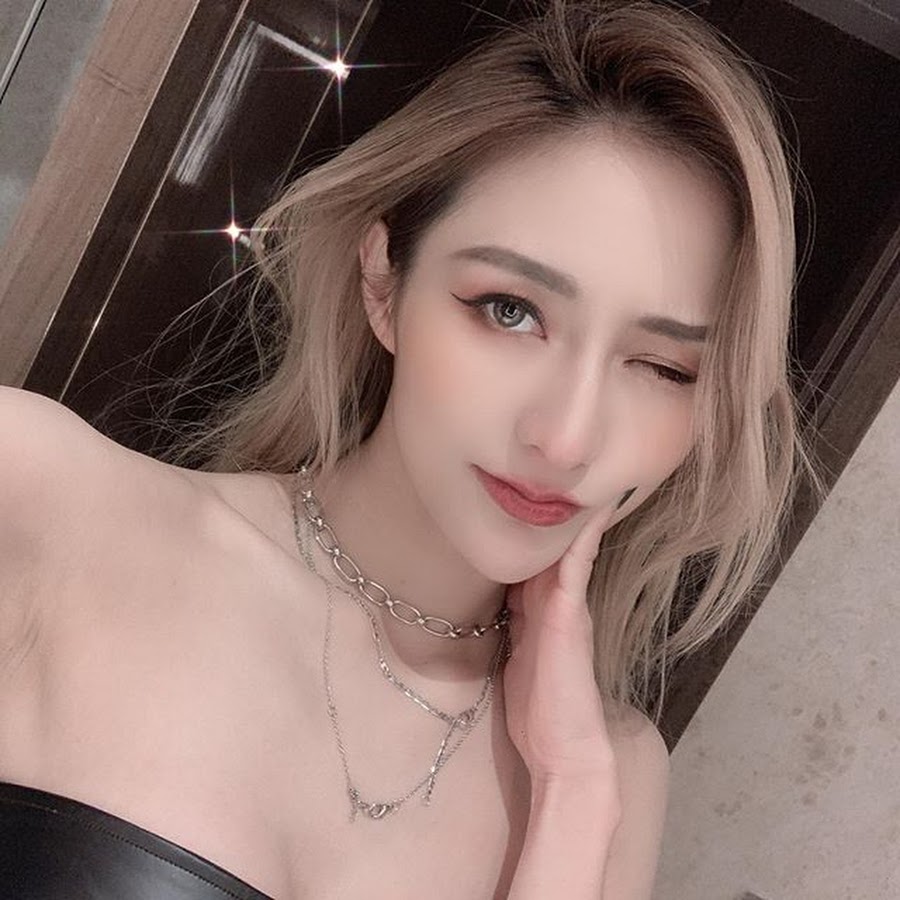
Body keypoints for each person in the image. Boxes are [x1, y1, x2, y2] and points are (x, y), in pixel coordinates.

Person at [0, 1, 807, 897]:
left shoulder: (608, 769)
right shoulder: (48, 502)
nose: (567, 438)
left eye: (662, 366)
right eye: (510, 311)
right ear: (385, 282)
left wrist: (573, 797)